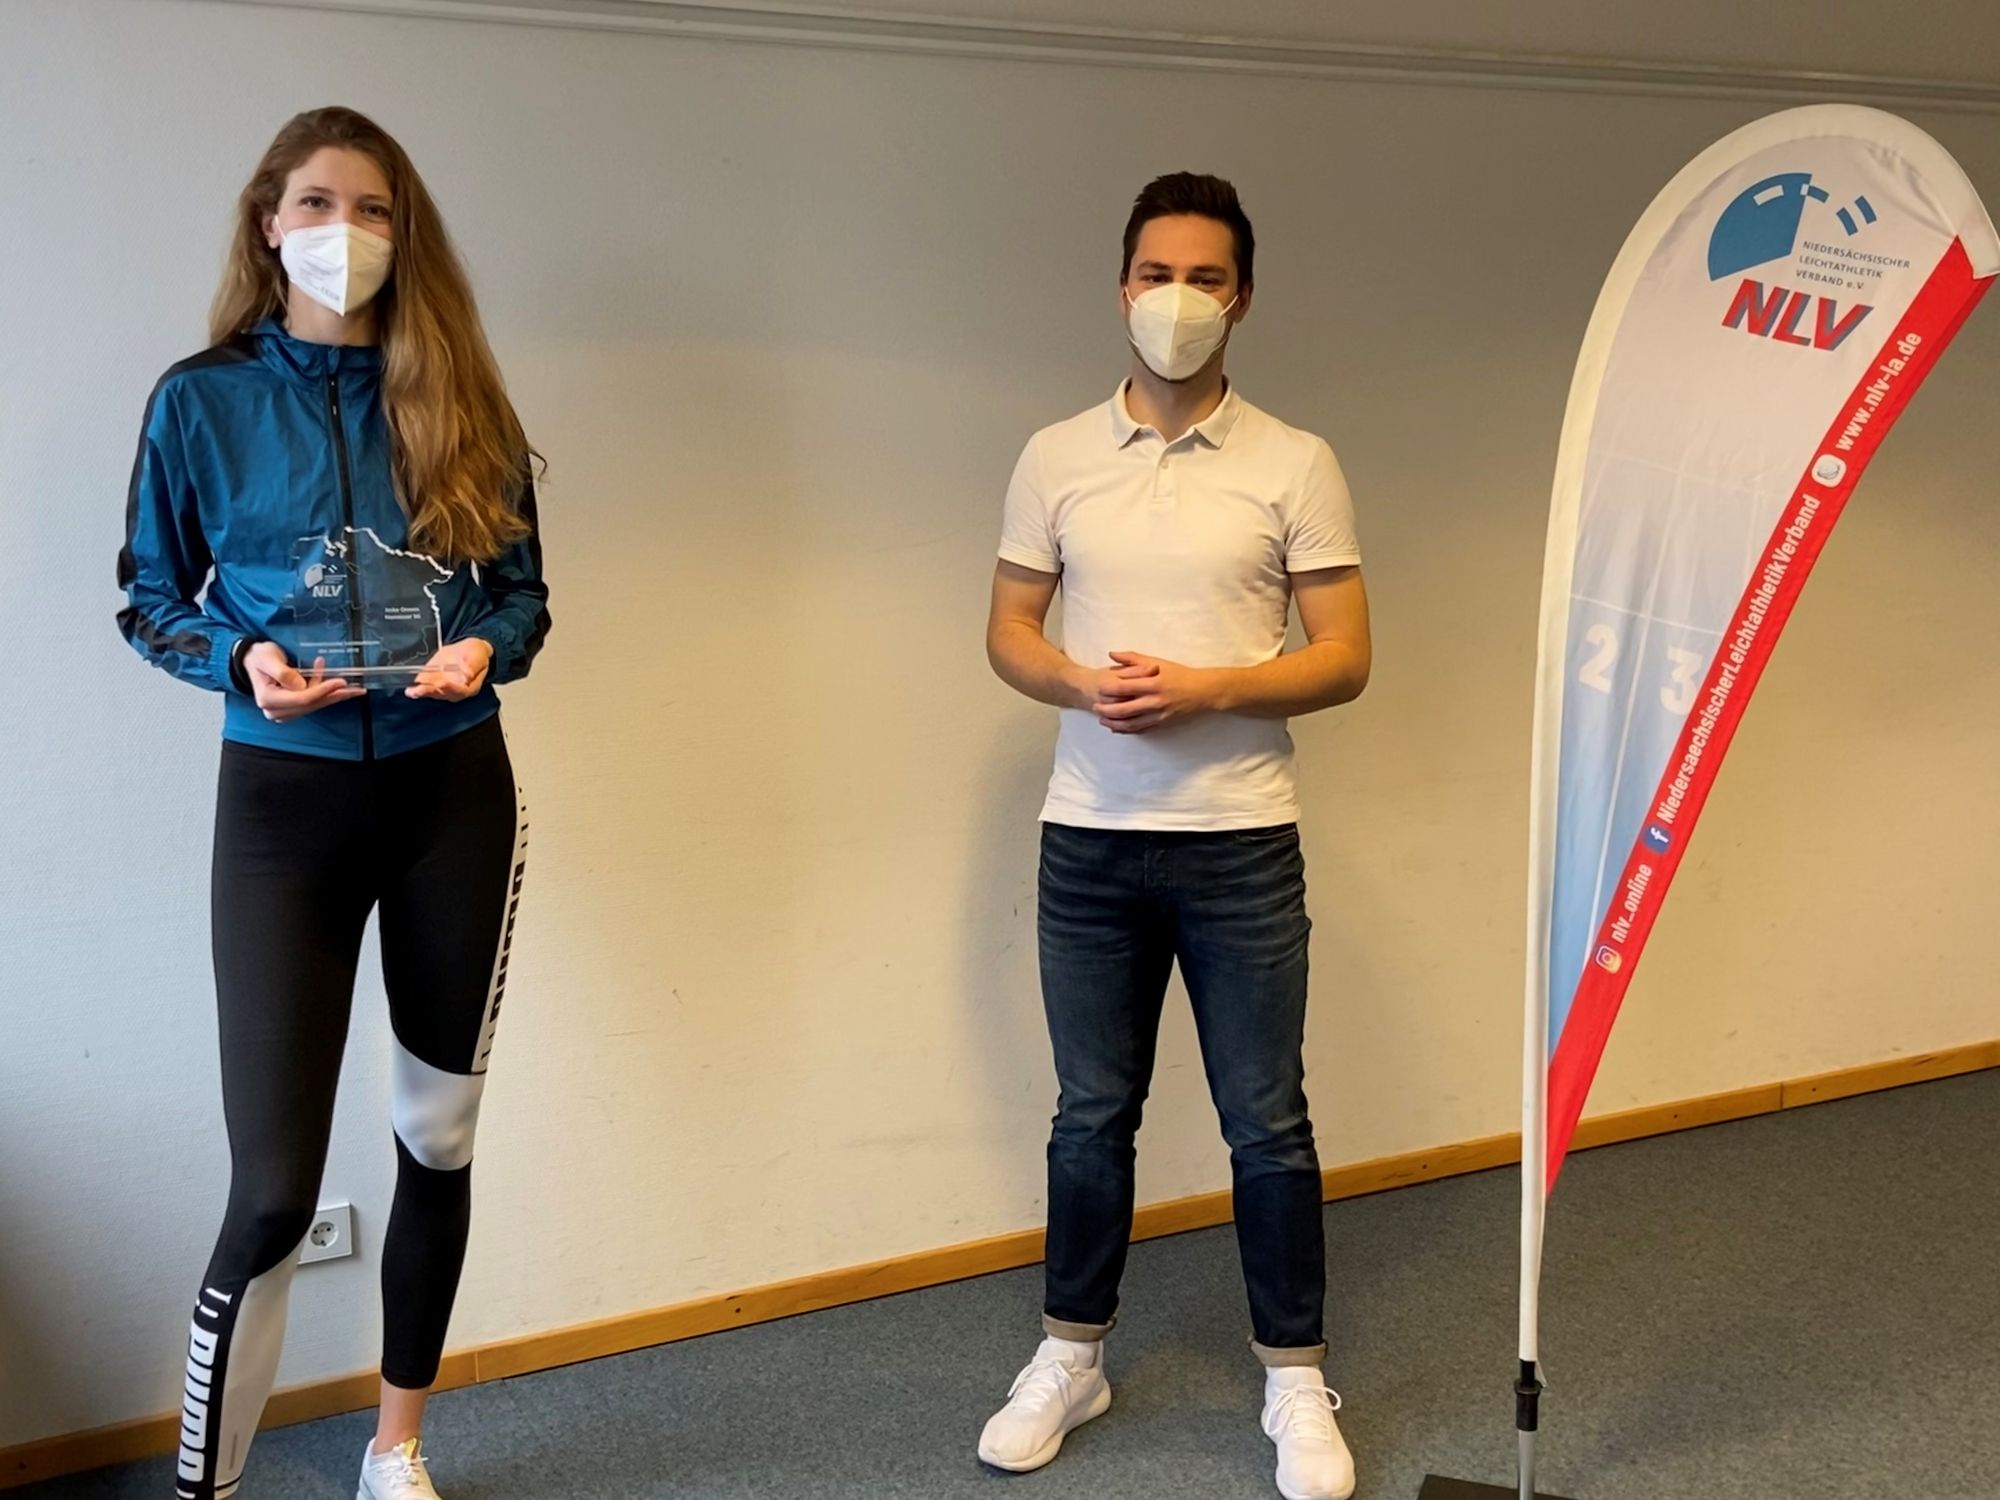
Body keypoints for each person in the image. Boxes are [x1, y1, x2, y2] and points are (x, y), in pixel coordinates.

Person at [117, 106, 549, 1500]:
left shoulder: (466, 399)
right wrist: (239, 657)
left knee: (437, 1137)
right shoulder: (201, 401)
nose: (343, 232)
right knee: (270, 1191)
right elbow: (149, 597)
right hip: (282, 812)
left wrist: (486, 650)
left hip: (450, 796)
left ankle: (396, 1448)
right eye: (317, 202)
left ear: (404, 235)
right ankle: (209, 1486)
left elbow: (525, 596)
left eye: (373, 209)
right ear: (268, 222)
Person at [978, 172, 1371, 1500]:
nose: (1178, 299)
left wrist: (1208, 689)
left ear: (1242, 298)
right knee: (1091, 1115)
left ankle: (1294, 1378)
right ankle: (1071, 1356)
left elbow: (1346, 656)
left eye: (1206, 278)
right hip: (1088, 841)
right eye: (1157, 274)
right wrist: (1078, 681)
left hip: (1239, 841)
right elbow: (1010, 630)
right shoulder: (1054, 457)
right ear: (1121, 289)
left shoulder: (1295, 461)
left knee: (1267, 1119)